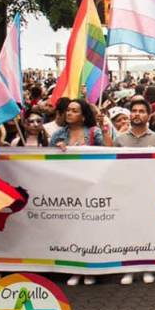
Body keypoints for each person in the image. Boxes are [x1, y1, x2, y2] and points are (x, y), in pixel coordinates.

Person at [49, 98, 107, 287]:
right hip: (68, 189)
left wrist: (104, 131)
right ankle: (75, 269)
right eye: (68, 110)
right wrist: (56, 151)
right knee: (72, 229)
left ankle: (90, 269)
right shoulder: (58, 134)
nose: (69, 113)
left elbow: (108, 153)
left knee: (90, 228)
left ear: (83, 116)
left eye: (74, 110)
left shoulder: (93, 132)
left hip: (91, 188)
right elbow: (46, 159)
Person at [114, 99, 155, 285]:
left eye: (141, 111)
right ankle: (129, 268)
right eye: (134, 111)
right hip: (126, 190)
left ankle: (147, 266)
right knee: (128, 229)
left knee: (148, 229)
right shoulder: (120, 139)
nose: (137, 114)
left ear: (148, 115)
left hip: (150, 190)